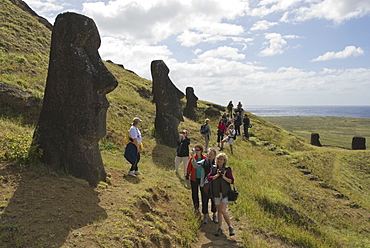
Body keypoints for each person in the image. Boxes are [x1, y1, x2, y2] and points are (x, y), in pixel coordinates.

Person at [207, 153, 235, 236]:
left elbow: (232, 181)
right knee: (219, 211)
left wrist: (223, 176)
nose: (220, 161)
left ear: (224, 161)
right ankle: (219, 228)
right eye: (218, 159)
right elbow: (209, 178)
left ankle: (230, 226)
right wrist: (217, 175)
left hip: (225, 193)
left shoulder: (227, 169)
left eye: (221, 159)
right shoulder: (214, 169)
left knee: (223, 210)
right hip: (216, 193)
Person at [191, 148, 218, 224]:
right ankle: (205, 215)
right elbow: (196, 165)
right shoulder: (204, 162)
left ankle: (214, 214)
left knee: (214, 201)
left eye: (211, 154)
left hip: (214, 186)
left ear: (214, 156)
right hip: (205, 185)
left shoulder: (217, 163)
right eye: (209, 153)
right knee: (204, 200)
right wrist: (193, 157)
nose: (209, 155)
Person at [186, 144, 207, 212]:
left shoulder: (205, 158)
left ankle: (205, 208)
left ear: (201, 151)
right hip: (194, 178)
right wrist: (187, 175)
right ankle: (196, 207)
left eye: (197, 150)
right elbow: (189, 167)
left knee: (203, 193)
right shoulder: (192, 158)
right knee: (194, 193)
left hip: (202, 179)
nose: (196, 151)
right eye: (195, 150)